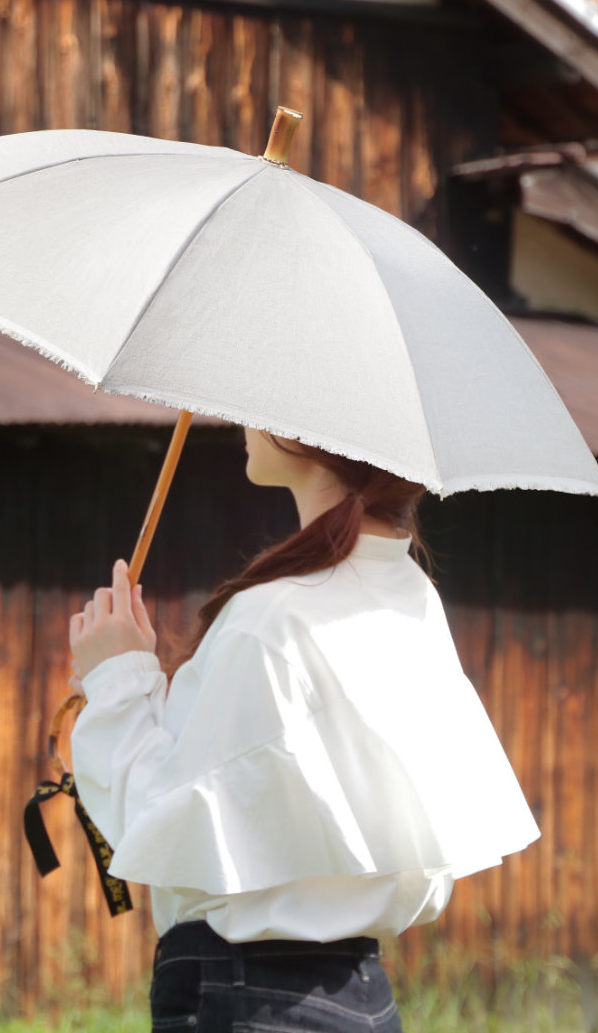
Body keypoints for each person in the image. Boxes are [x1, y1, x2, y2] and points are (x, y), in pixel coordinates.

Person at [68, 428, 540, 1033]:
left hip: (246, 998)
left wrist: (115, 679)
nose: (246, 422)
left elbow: (159, 825)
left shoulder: (271, 616)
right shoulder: (411, 598)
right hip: (361, 994)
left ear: (309, 434)